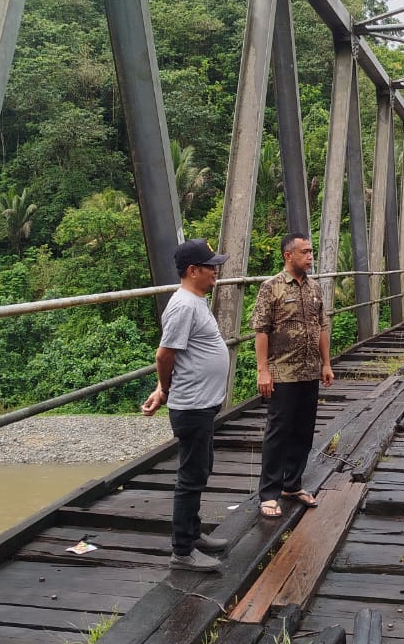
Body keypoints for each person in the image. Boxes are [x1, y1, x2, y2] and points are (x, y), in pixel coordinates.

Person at [141, 238, 232, 572]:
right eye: (211, 267)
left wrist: (162, 390)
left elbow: (181, 353)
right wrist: (164, 390)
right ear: (193, 271)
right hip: (192, 405)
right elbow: (164, 354)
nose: (216, 272)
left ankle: (193, 535)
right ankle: (182, 551)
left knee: (200, 468)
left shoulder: (195, 301)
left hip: (201, 403)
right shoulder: (183, 306)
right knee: (191, 476)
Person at [251, 231, 334, 519]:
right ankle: (269, 493)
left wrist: (326, 363)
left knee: (303, 431)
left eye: (311, 252)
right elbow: (261, 331)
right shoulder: (270, 287)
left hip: (310, 371)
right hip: (282, 372)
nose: (310, 257)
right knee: (278, 433)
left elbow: (322, 327)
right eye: (305, 252)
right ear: (289, 255)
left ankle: (292, 484)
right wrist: (263, 371)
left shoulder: (315, 288)